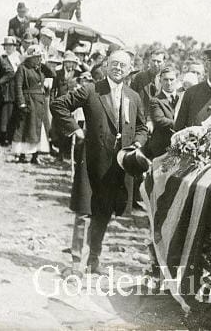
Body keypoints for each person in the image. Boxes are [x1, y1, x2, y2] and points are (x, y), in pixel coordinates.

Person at [51, 49, 148, 274]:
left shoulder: (133, 97)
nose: (118, 68)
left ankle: (94, 260)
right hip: (92, 161)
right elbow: (58, 105)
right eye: (114, 63)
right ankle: (77, 263)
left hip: (117, 165)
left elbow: (142, 127)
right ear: (106, 65)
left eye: (123, 65)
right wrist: (75, 130)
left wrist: (137, 144)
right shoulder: (91, 89)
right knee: (85, 212)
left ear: (129, 68)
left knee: (104, 212)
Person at [12, 44, 55, 164]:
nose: (38, 59)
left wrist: (43, 64)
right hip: (28, 100)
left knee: (37, 129)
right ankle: (21, 155)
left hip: (39, 103)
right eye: (36, 57)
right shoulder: (22, 68)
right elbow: (18, 86)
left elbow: (53, 74)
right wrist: (21, 102)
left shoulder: (40, 69)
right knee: (25, 127)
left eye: (40, 57)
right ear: (29, 58)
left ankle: (35, 156)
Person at [147, 65, 183, 158]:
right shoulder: (155, 100)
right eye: (165, 80)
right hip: (162, 147)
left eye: (172, 79)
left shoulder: (183, 98)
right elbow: (160, 120)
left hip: (182, 145)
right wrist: (181, 124)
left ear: (177, 80)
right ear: (160, 81)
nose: (169, 83)